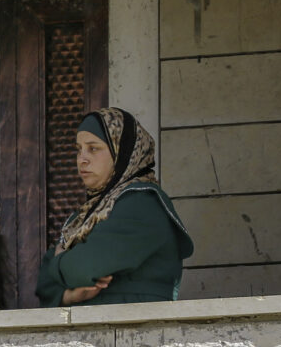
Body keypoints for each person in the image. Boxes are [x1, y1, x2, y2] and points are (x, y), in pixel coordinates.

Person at [37, 107, 194, 306]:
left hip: (136, 330)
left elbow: (87, 267)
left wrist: (60, 261)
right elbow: (43, 282)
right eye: (79, 149)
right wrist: (68, 295)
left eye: (93, 148)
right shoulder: (86, 213)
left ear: (122, 152)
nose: (82, 159)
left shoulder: (143, 203)